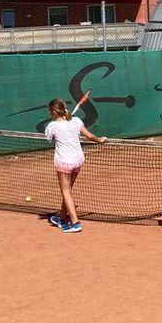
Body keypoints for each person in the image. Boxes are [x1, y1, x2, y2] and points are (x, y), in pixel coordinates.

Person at [45, 98, 107, 234]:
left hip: (65, 162)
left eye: (50, 112)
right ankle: (61, 217)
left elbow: (50, 139)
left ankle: (75, 223)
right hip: (78, 160)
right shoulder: (76, 121)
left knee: (65, 191)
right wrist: (99, 140)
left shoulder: (51, 126)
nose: (50, 114)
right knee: (67, 191)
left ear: (54, 112)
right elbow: (90, 136)